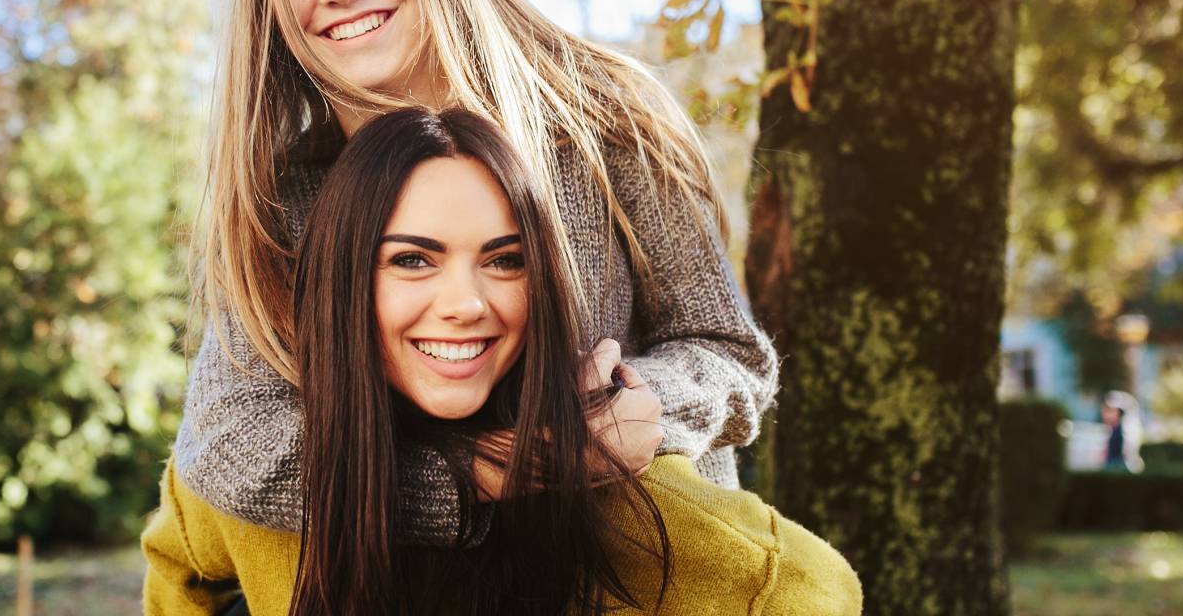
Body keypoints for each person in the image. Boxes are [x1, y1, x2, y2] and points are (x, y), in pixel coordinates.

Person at [176, 0, 778, 553]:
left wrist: (636, 411)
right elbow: (229, 440)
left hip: (658, 568)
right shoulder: (279, 199)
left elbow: (727, 353)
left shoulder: (603, 122)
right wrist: (491, 470)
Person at [143, 108, 861, 615]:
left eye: (505, 260)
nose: (465, 304)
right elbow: (178, 568)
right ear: (343, 281)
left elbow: (810, 588)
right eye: (412, 260)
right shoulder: (247, 476)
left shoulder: (627, 493)